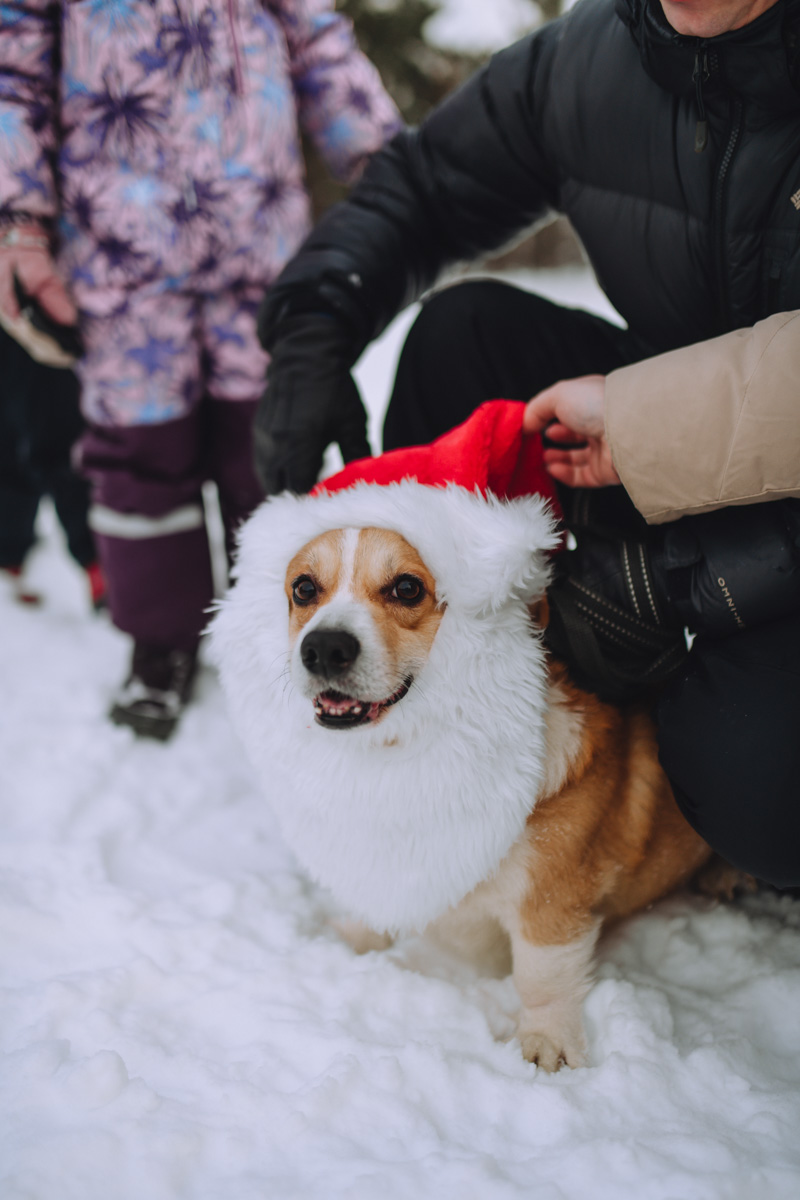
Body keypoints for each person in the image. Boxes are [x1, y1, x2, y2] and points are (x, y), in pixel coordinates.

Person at [254, 0, 800, 888]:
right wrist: (314, 330)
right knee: (460, 339)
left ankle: (678, 739)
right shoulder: (602, 54)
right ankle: (455, 718)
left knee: (759, 782)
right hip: (660, 421)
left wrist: (701, 576)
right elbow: (427, 185)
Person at [0, 0, 401, 739]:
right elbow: (12, 63)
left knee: (271, 442)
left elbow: (315, 32)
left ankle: (288, 627)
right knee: (140, 456)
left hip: (259, 229)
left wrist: (383, 162)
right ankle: (160, 642)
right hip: (114, 244)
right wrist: (17, 222)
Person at [0, 327, 105, 609]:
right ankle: (95, 564)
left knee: (50, 439)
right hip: (25, 315)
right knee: (48, 445)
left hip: (30, 314)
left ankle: (95, 564)